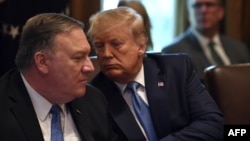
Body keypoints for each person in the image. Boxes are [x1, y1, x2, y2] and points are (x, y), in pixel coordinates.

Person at [88, 7, 224, 141]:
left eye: (116, 44)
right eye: (99, 46)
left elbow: (213, 123)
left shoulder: (176, 69)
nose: (106, 54)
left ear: (141, 46)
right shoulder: (94, 96)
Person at [0, 13, 118, 141]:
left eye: (88, 56)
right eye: (78, 58)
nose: (90, 67)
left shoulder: (94, 101)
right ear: (42, 62)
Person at [161, 0, 250, 84]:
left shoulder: (239, 48)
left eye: (209, 5)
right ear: (188, 13)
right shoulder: (173, 52)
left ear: (221, 12)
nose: (203, 10)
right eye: (197, 5)